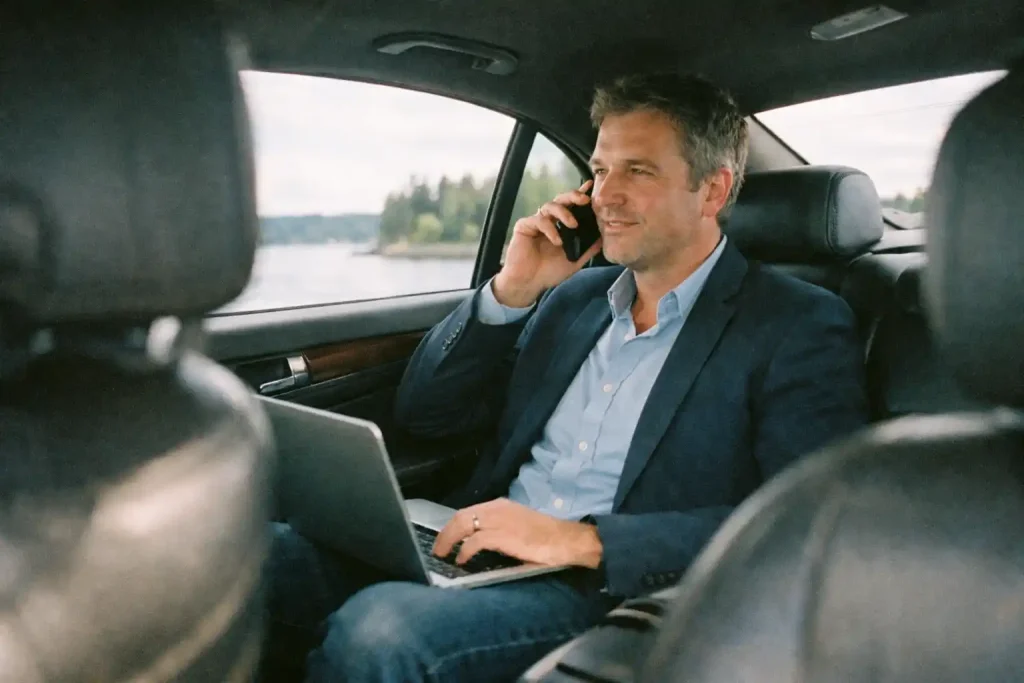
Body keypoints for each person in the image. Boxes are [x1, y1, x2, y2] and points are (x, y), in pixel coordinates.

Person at [262, 72, 869, 683]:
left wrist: (581, 542)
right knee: (257, 554)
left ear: (711, 192)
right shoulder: (573, 298)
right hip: (483, 547)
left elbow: (804, 525)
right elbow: (428, 415)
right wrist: (511, 291)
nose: (605, 194)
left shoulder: (797, 323)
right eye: (601, 171)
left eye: (638, 171)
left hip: (609, 589)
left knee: (381, 632)